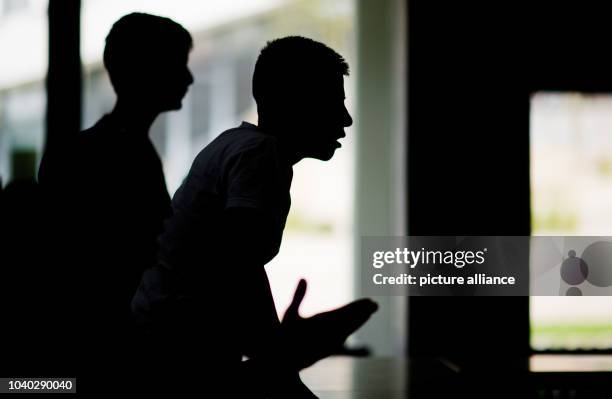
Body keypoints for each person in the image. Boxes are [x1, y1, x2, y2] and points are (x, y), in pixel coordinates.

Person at [132, 36, 378, 397]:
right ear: (294, 104)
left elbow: (238, 264)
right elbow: (239, 263)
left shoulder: (238, 146)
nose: (346, 118)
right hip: (178, 347)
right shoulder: (261, 156)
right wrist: (284, 349)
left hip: (168, 334)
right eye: (333, 103)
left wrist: (278, 348)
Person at [37, 12, 193, 387]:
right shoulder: (123, 153)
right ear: (146, 70)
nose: (188, 78)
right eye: (178, 65)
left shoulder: (95, 148)